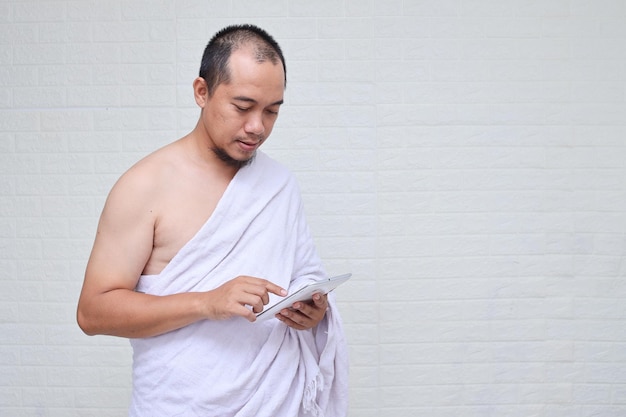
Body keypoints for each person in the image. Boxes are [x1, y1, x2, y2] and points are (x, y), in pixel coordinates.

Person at [77, 24, 348, 416]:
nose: (258, 126)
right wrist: (206, 302)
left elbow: (302, 274)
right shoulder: (144, 187)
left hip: (273, 403)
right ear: (201, 92)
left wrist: (311, 311)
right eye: (243, 107)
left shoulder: (279, 184)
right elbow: (92, 312)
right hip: (179, 405)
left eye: (272, 111)